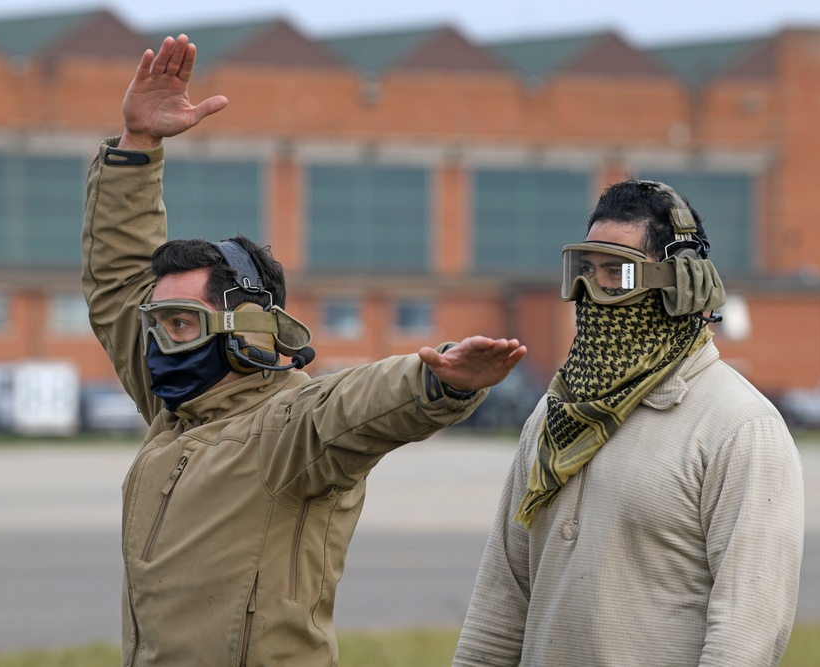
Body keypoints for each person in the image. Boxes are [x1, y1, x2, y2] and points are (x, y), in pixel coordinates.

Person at [81, 34, 526, 666]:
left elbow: (356, 403)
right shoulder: (174, 407)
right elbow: (117, 279)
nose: (159, 340)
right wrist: (136, 148)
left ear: (251, 328)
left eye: (181, 321)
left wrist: (440, 382)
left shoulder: (288, 429)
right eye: (159, 321)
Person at [452, 180, 805, 666]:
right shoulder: (555, 415)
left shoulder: (740, 427)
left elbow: (747, 630)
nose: (591, 293)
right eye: (584, 271)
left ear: (681, 287)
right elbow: (500, 605)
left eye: (616, 273)